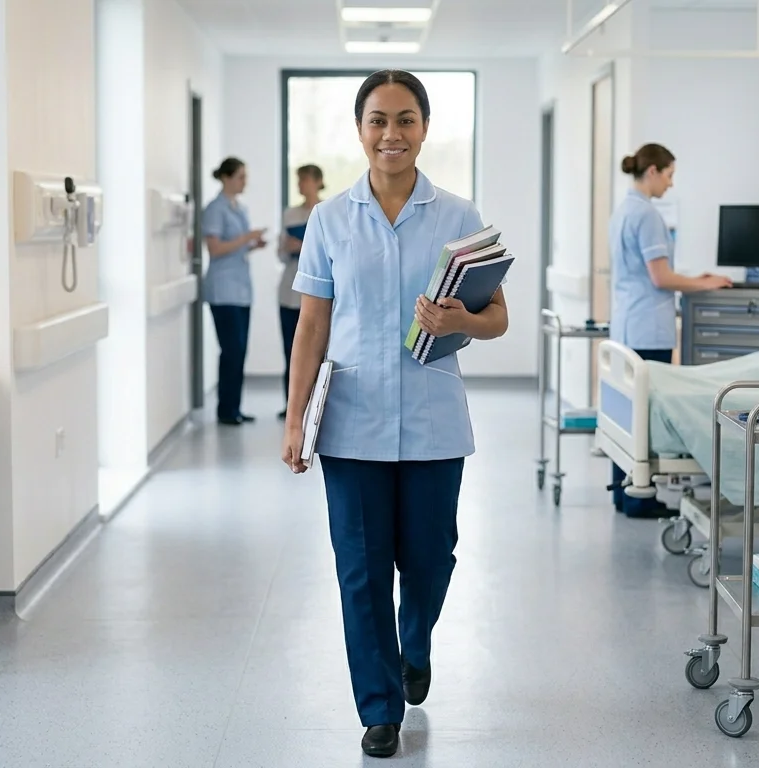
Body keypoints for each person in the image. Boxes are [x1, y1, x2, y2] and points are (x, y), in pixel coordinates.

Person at [280, 70, 508, 759]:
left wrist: (460, 316)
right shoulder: (329, 219)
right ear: (359, 130)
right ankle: (379, 708)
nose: (391, 134)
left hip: (435, 421)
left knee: (431, 559)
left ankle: (417, 643)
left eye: (405, 119)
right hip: (352, 420)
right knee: (360, 569)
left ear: (424, 128)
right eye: (378, 120)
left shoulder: (459, 216)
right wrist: (294, 421)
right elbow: (312, 326)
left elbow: (497, 317)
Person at [607, 142, 731, 515]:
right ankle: (640, 502)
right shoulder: (647, 215)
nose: (671, 185)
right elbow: (660, 278)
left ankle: (623, 494)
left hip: (628, 323)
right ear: (653, 172)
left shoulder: (624, 210)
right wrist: (706, 284)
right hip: (647, 330)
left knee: (626, 415)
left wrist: (695, 278)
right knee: (644, 416)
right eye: (670, 175)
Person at [202, 157, 266, 425]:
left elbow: (234, 247)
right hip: (224, 291)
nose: (244, 181)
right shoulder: (215, 209)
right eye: (240, 176)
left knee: (239, 352)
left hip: (240, 290)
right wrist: (245, 238)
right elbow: (215, 249)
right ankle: (226, 410)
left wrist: (253, 244)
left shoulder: (238, 208)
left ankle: (234, 408)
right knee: (231, 350)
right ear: (226, 178)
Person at [276, 164, 324, 419]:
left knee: (317, 351)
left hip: (318, 297)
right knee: (290, 351)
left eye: (304, 180)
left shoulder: (327, 213)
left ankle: (315, 405)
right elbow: (281, 254)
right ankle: (291, 406)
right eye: (298, 180)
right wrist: (287, 247)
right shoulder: (290, 215)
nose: (300, 185)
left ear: (317, 182)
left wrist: (304, 245)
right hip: (289, 293)